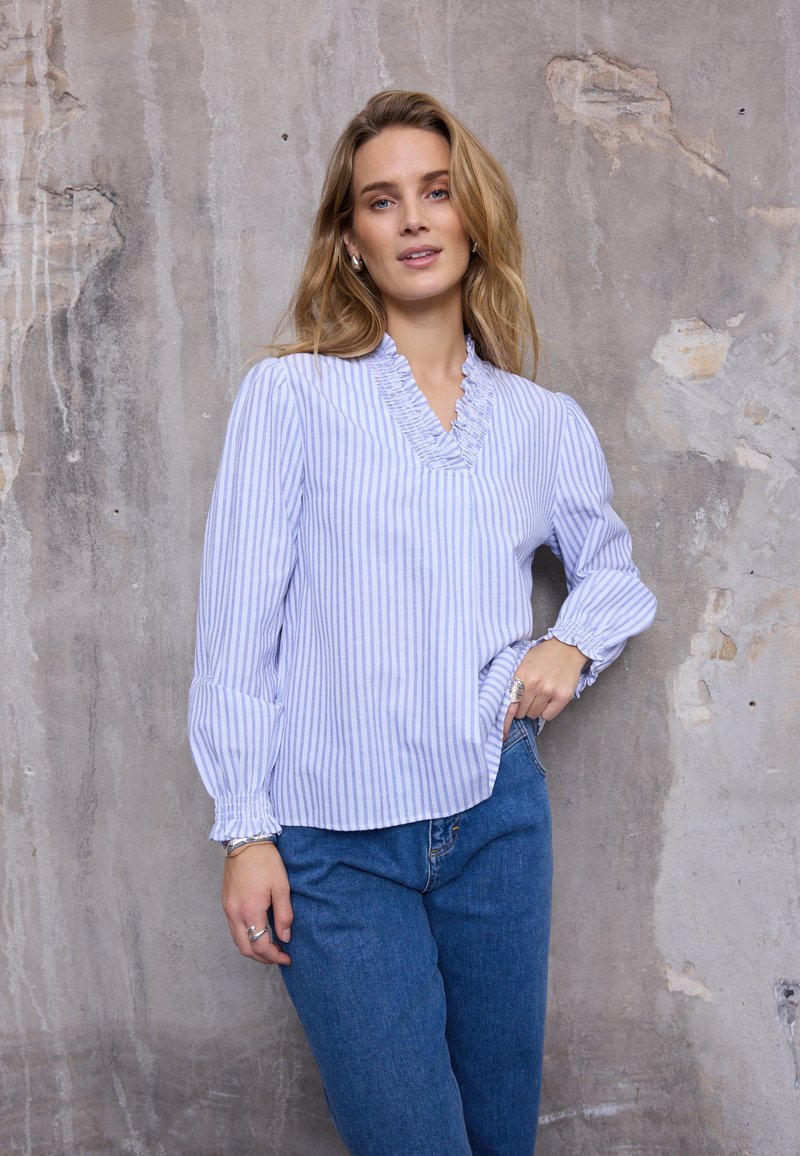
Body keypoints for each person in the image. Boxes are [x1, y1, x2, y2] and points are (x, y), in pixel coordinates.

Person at [188, 89, 656, 1156]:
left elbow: (613, 571)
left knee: (499, 1141)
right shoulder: (292, 397)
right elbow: (235, 630)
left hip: (494, 820)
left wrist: (567, 641)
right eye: (380, 200)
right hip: (332, 847)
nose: (411, 219)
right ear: (349, 240)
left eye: (434, 193)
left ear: (470, 217)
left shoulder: (542, 424)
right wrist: (245, 825)